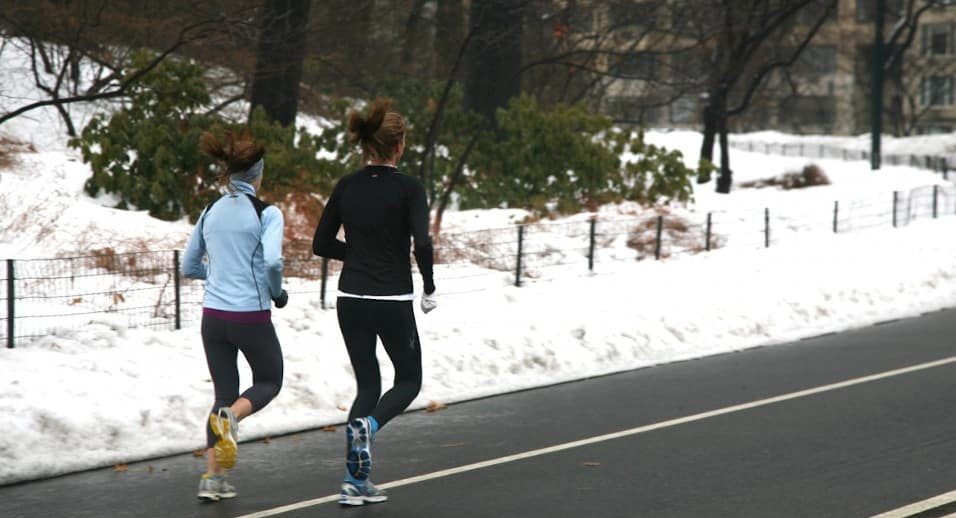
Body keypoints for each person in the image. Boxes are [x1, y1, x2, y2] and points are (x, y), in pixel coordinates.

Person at [312, 98, 437, 506]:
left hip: (350, 297)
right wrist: (429, 286)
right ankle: (370, 425)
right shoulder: (410, 188)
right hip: (391, 298)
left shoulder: (347, 185)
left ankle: (353, 482)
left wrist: (359, 255)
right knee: (409, 380)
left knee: (368, 383)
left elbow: (321, 243)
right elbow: (423, 242)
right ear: (399, 145)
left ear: (366, 146)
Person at [182, 130, 288, 502]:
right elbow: (273, 261)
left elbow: (188, 264)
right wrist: (276, 292)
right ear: (258, 176)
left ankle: (213, 480)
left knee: (222, 392)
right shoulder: (267, 213)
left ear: (229, 176)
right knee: (270, 380)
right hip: (250, 317)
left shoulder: (210, 210)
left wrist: (218, 276)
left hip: (212, 318)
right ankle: (231, 419)